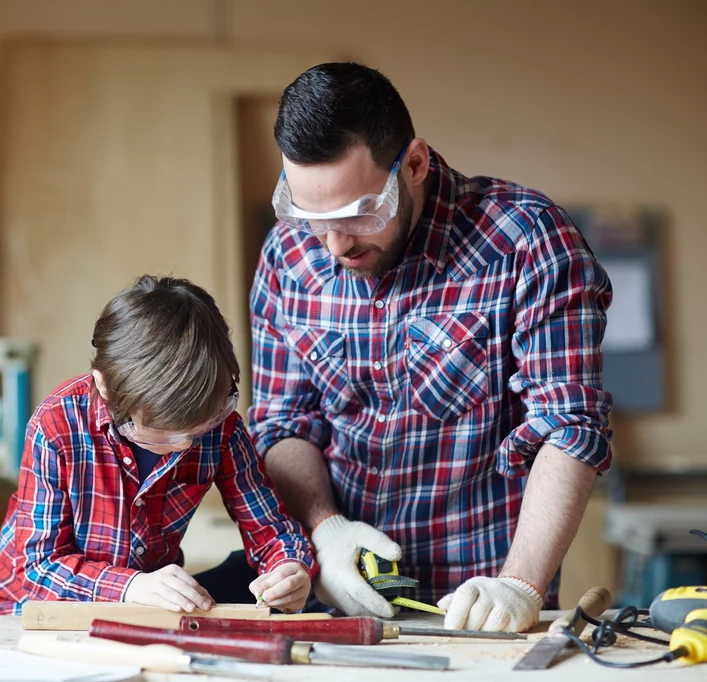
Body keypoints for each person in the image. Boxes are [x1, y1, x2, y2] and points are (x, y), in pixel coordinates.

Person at [247, 62, 613, 632]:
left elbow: (568, 426)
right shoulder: (288, 257)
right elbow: (282, 421)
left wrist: (519, 585)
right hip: (339, 600)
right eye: (313, 217)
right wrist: (324, 530)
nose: (335, 244)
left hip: (480, 606)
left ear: (414, 164)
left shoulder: (527, 242)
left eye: (358, 213)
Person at [0, 274, 316, 615]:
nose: (185, 444)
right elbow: (38, 569)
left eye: (199, 429)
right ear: (106, 388)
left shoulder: (220, 426)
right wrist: (132, 585)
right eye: (165, 434)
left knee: (242, 578)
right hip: (34, 608)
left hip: (143, 607)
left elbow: (270, 528)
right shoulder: (56, 426)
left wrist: (289, 567)